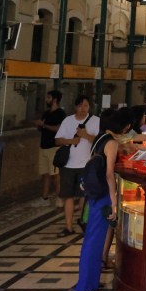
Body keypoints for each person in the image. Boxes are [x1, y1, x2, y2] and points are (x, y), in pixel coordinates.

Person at [72, 107, 132, 291]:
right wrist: (114, 202)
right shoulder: (111, 143)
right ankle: (85, 289)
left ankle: (86, 284)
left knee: (91, 239)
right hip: (104, 195)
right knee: (95, 241)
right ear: (123, 126)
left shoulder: (99, 138)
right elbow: (108, 174)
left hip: (94, 195)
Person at [55, 96, 100, 236]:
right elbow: (57, 140)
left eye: (86, 105)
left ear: (89, 107)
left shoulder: (95, 121)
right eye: (80, 105)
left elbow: (99, 141)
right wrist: (71, 140)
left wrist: (85, 135)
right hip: (68, 165)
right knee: (68, 196)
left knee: (84, 196)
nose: (83, 108)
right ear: (75, 107)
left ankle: (83, 222)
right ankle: (68, 227)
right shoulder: (68, 121)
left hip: (86, 165)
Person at [34, 89, 65, 203]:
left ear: (55, 100)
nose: (46, 100)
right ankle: (44, 197)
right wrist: (39, 125)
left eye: (48, 98)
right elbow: (41, 127)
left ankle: (59, 197)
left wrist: (44, 125)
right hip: (43, 147)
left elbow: (58, 129)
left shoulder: (60, 113)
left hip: (54, 148)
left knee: (55, 175)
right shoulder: (46, 113)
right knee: (45, 174)